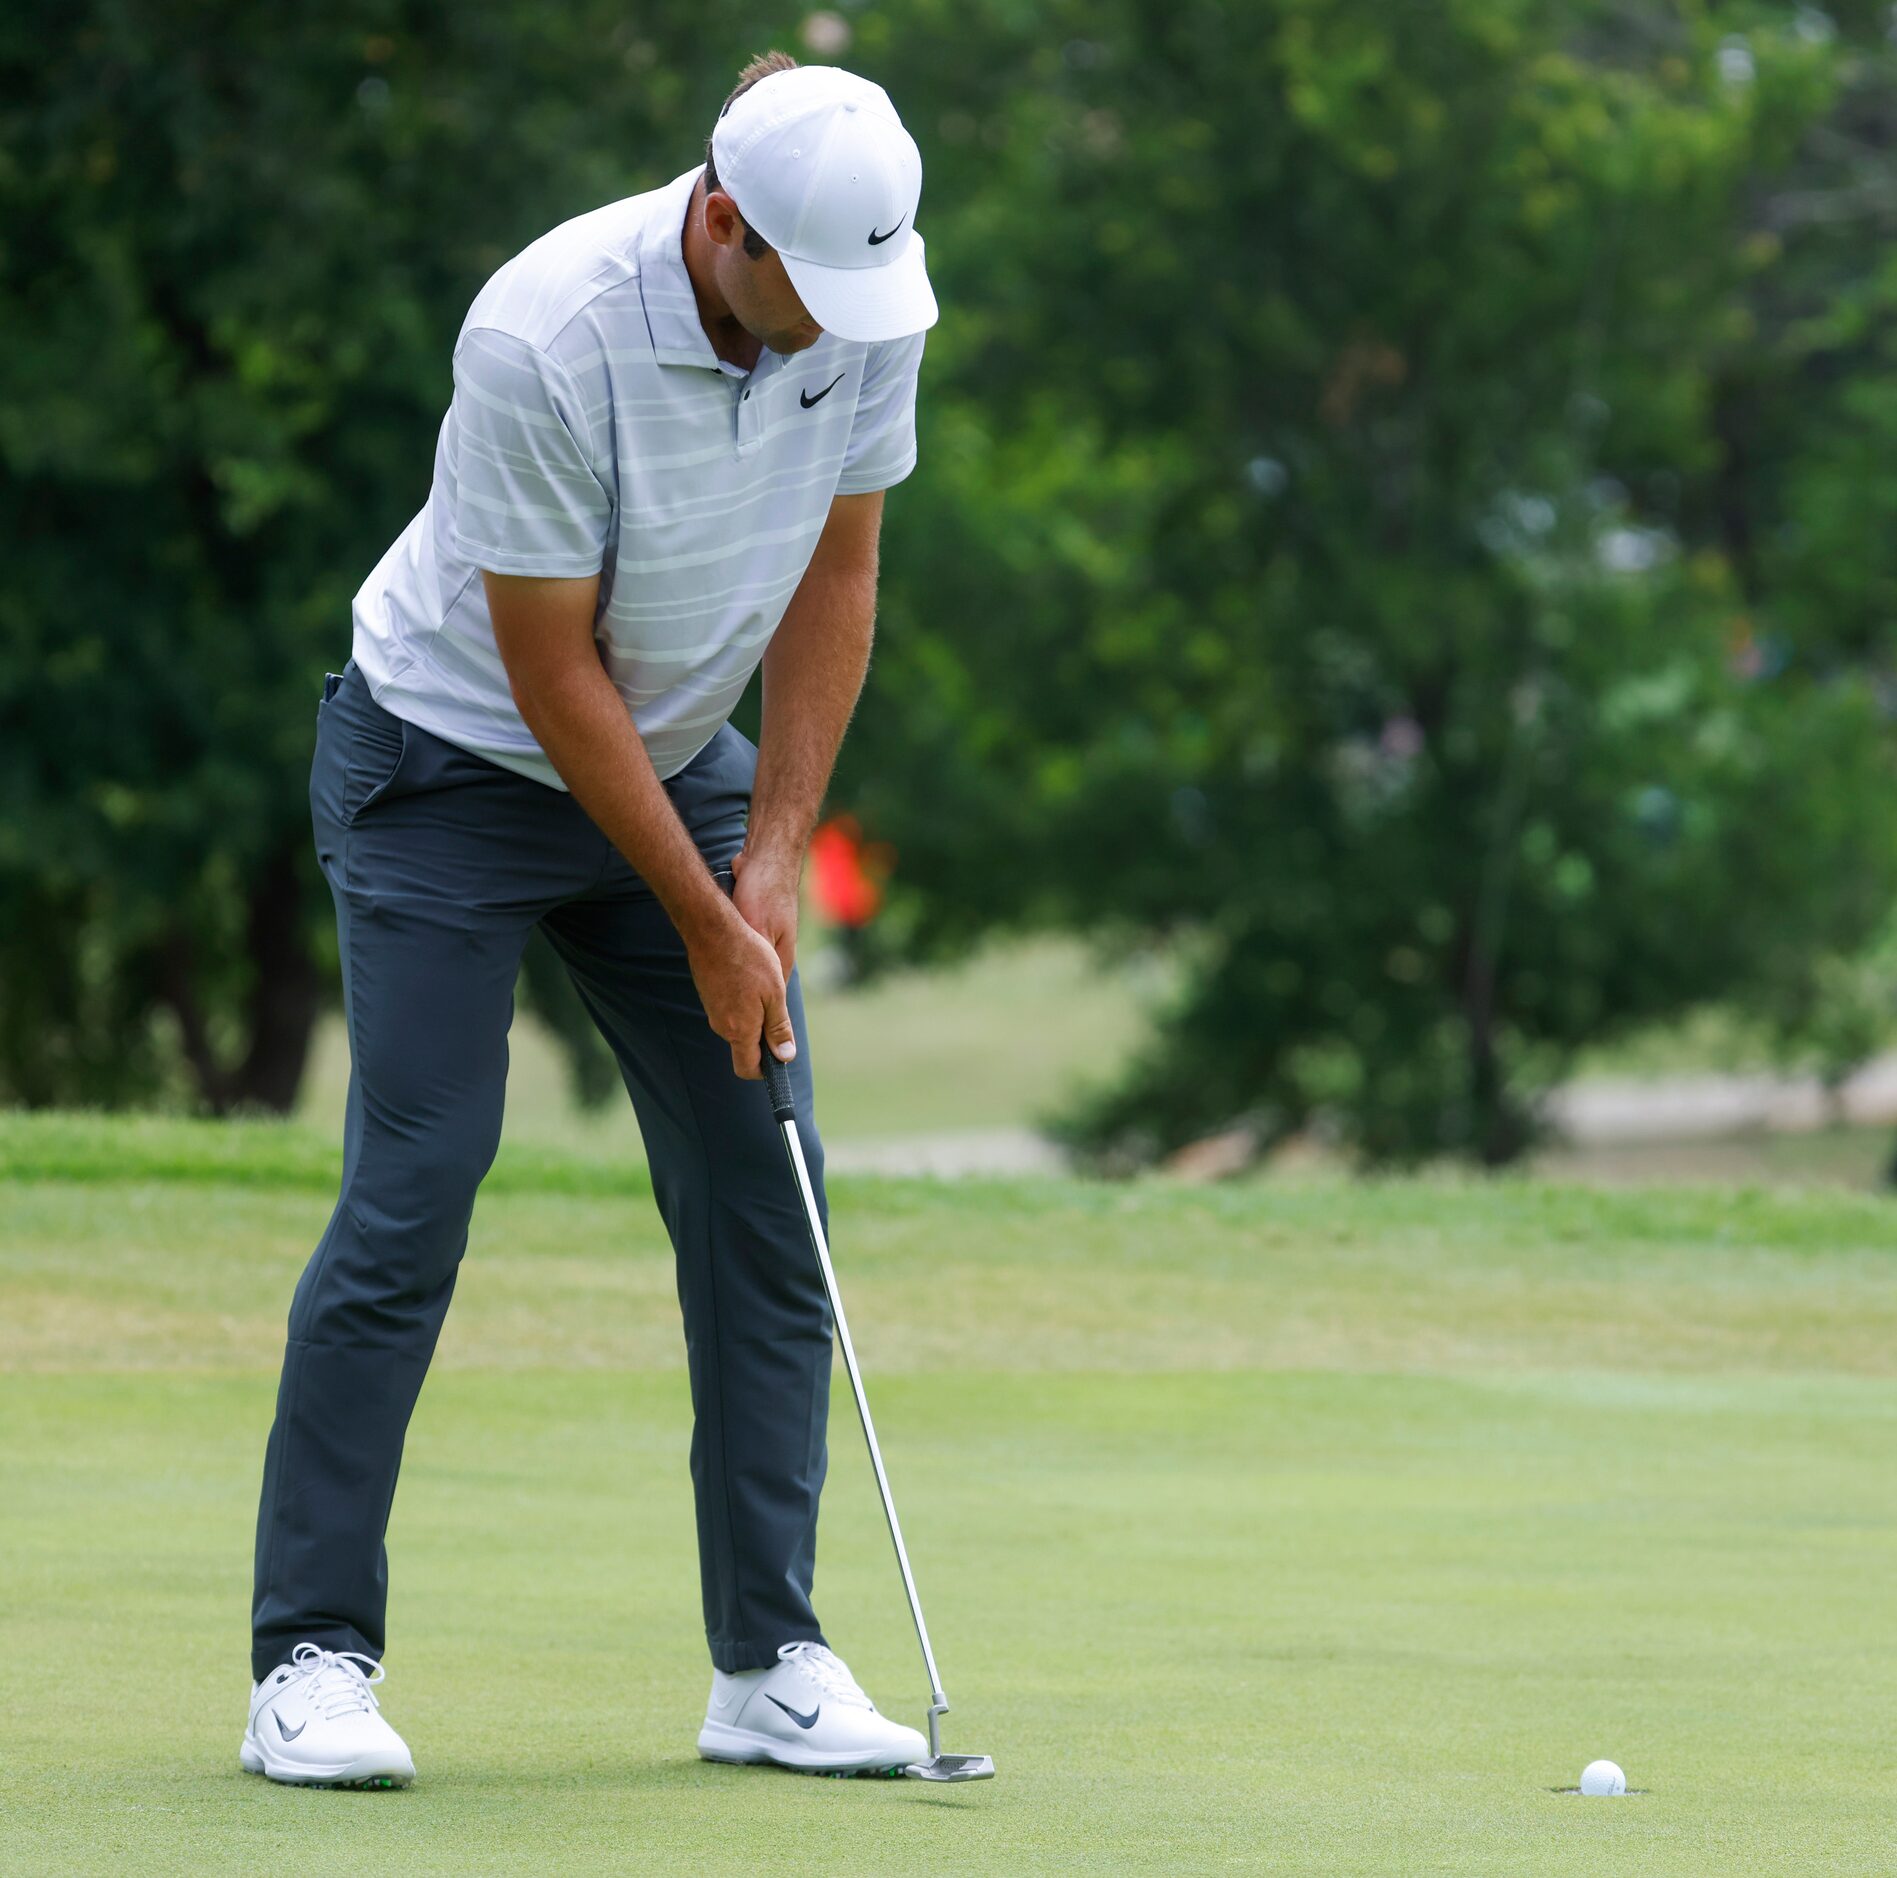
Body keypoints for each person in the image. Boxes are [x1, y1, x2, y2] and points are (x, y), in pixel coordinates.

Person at [240, 53, 938, 1788]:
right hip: (447, 764)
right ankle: (307, 1662)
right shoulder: (543, 334)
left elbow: (837, 578)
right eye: (801, 297)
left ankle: (768, 1657)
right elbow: (552, 676)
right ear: (721, 225)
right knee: (416, 1181)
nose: (832, 332)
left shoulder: (861, 292)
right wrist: (702, 912)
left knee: (766, 1172)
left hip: (678, 754)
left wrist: (769, 861)